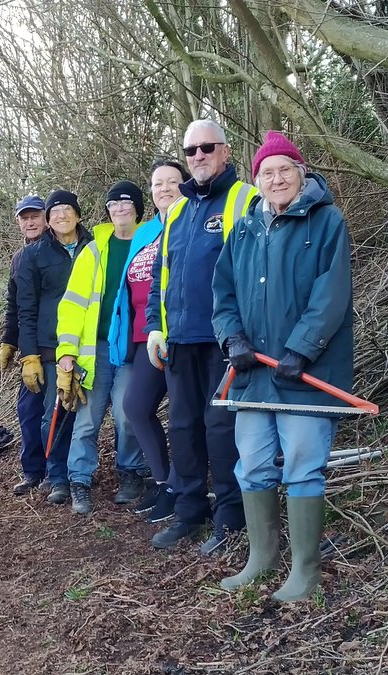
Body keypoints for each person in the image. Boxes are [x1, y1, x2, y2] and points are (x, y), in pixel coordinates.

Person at [213, 130, 354, 602]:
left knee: (302, 465)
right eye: (267, 172)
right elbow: (223, 295)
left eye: (285, 170)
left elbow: (331, 295)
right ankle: (262, 558)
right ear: (257, 180)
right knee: (251, 465)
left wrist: (302, 349)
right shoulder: (243, 230)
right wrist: (232, 337)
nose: (276, 179)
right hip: (252, 376)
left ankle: (305, 571)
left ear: (301, 173)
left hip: (306, 375)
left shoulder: (327, 221)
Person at [145, 120, 259, 554]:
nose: (198, 156)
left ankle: (230, 516)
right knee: (183, 426)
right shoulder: (177, 211)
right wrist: (156, 327)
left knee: (220, 427)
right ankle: (190, 509)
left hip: (224, 340)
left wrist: (246, 335)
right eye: (190, 150)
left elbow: (257, 271)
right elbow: (161, 274)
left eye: (207, 148)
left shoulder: (245, 198)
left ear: (225, 152)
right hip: (179, 341)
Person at [55, 181, 149, 515]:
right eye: (113, 205)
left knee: (126, 416)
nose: (120, 209)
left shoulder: (150, 242)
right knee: (86, 420)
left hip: (129, 349)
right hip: (93, 349)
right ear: (107, 211)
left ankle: (131, 472)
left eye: (127, 203)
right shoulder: (93, 251)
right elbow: (73, 305)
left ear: (138, 208)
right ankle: (79, 480)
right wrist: (66, 352)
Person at [115, 160, 192, 524]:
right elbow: (124, 289)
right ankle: (163, 481)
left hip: (182, 334)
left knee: (182, 415)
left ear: (186, 185)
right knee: (135, 406)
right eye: (158, 183)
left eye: (172, 182)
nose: (164, 188)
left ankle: (181, 486)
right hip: (147, 336)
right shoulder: (146, 233)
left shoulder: (192, 221)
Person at [16, 190, 92, 505]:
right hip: (51, 347)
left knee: (86, 416)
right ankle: (57, 476)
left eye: (66, 209)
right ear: (48, 220)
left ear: (77, 213)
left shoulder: (95, 247)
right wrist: (29, 355)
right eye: (54, 211)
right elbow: (25, 309)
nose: (61, 215)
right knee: (56, 413)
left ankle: (82, 474)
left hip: (91, 344)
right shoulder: (33, 256)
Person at [2, 195, 50, 495]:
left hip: (55, 345)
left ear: (46, 218)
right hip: (29, 347)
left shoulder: (58, 251)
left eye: (35, 216)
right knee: (28, 410)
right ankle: (33, 470)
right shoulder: (19, 258)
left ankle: (60, 470)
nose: (30, 222)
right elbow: (14, 305)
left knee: (55, 410)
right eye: (24, 217)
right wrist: (9, 341)